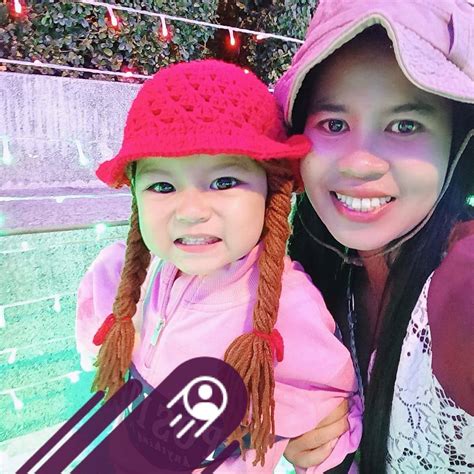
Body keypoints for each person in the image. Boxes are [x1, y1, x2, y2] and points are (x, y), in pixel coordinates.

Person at [75, 59, 362, 472]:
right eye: (162, 186)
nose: (191, 211)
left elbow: (328, 420)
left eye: (224, 182)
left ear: (272, 193)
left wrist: (310, 440)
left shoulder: (289, 307)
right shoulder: (124, 276)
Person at [275, 0, 474, 472]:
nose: (360, 163)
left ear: (457, 143)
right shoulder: (311, 276)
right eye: (334, 124)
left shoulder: (463, 277)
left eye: (405, 125)